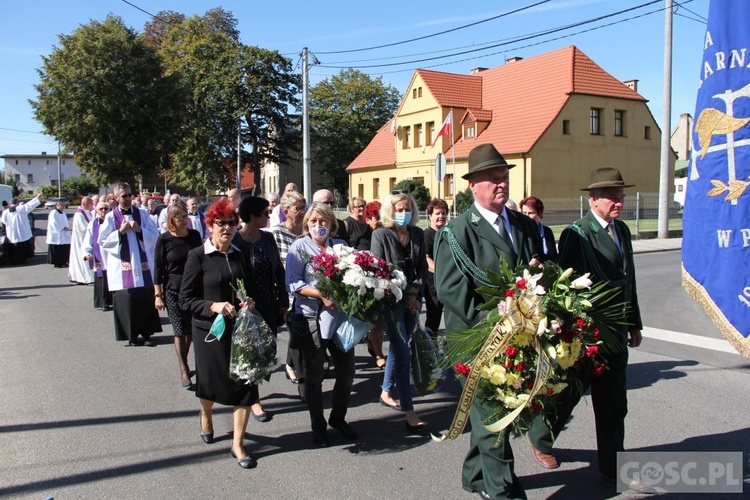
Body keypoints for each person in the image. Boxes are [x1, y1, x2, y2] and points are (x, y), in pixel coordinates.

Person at [434, 143, 542, 500]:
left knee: (504, 407)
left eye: (504, 177)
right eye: (492, 179)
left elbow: (542, 272)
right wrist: (496, 321)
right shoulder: (457, 231)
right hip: (477, 337)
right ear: (473, 186)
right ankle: (502, 490)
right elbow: (450, 290)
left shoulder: (526, 227)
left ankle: (474, 474)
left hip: (521, 336)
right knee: (491, 411)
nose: (500, 184)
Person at [527, 167, 643, 485]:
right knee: (568, 395)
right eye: (612, 196)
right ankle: (541, 437)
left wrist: (634, 323)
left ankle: (612, 466)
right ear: (593, 199)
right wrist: (567, 330)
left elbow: (628, 281)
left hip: (616, 332)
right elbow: (565, 283)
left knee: (614, 403)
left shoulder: (623, 231)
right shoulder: (578, 233)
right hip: (587, 331)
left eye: (621, 195)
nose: (619, 201)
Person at [179, 198, 259, 469]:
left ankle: (238, 444)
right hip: (209, 332)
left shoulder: (240, 254)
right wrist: (212, 306)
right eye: (220, 223)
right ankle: (206, 413)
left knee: (245, 384)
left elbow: (249, 288)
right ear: (209, 226)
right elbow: (184, 300)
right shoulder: (197, 256)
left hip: (240, 330)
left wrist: (249, 301)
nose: (226, 228)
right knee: (210, 384)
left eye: (231, 223)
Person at [285, 202, 358, 447]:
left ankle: (338, 418)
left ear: (332, 224)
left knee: (347, 371)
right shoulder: (299, 247)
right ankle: (318, 426)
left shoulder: (341, 246)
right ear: (306, 224)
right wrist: (320, 294)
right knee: (314, 376)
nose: (319, 226)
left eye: (323, 221)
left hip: (339, 319)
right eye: (314, 221)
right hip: (310, 319)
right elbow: (293, 283)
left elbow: (353, 275)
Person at [371, 191, 429, 434]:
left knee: (399, 345)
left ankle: (385, 391)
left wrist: (415, 293)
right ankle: (410, 411)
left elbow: (422, 268)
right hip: (390, 302)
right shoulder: (380, 234)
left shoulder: (417, 233)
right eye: (399, 209)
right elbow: (376, 269)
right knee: (403, 354)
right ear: (390, 211)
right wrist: (402, 297)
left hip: (412, 299)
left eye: (407, 209)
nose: (403, 213)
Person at [234, 196, 289, 422]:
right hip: (247, 305)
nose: (269, 216)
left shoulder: (267, 238)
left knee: (267, 351)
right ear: (252, 216)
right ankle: (254, 400)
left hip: (268, 303)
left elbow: (278, 270)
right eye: (265, 213)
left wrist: (283, 300)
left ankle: (253, 389)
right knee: (251, 353)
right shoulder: (237, 240)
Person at [98, 182, 162, 346]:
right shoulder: (111, 217)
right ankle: (131, 336)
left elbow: (155, 234)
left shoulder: (142, 214)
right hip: (123, 267)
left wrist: (140, 230)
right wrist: (120, 232)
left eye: (129, 195)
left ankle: (147, 334)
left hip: (143, 263)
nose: (127, 198)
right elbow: (103, 240)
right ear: (116, 197)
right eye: (123, 196)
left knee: (146, 297)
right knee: (128, 299)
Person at [154, 204, 203, 388]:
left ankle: (184, 358)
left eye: (185, 215)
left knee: (190, 331)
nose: (184, 219)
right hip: (172, 289)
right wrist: (157, 295)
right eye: (180, 217)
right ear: (171, 220)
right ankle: (183, 368)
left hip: (193, 289)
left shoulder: (194, 236)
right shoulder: (164, 239)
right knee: (179, 330)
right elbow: (158, 268)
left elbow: (202, 259)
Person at [270, 191, 307, 385]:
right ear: (286, 211)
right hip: (285, 292)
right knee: (294, 330)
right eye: (297, 208)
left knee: (300, 332)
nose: (302, 212)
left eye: (304, 207)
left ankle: (291, 364)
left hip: (307, 290)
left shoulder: (308, 231)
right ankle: (294, 368)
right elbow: (274, 263)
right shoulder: (276, 233)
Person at [361, 200, 386, 368]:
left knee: (380, 322)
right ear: (368, 219)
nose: (379, 220)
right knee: (375, 321)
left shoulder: (386, 234)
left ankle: (375, 346)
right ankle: (378, 354)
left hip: (384, 282)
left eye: (381, 217)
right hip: (367, 283)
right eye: (376, 217)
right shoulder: (364, 238)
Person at [423, 198, 448, 334]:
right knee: (434, 317)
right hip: (433, 283)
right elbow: (426, 259)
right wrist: (442, 272)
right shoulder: (427, 235)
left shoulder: (446, 234)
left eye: (443, 213)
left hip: (447, 281)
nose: (441, 216)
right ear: (430, 215)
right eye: (437, 213)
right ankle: (428, 347)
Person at [83, 201, 113, 310]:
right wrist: (87, 253)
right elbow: (88, 240)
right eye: (101, 209)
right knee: (102, 279)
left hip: (111, 255)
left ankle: (114, 301)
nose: (103, 211)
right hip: (99, 255)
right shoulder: (93, 224)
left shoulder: (114, 222)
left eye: (106, 208)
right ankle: (104, 302)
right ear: (97, 211)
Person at [0, 194, 42, 265]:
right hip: (22, 233)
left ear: (10, 203)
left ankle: (14, 260)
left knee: (13, 248)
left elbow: (3, 221)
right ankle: (22, 260)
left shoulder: (6, 212)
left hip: (12, 232)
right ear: (17, 203)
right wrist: (37, 197)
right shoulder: (21, 208)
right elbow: (30, 205)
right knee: (22, 247)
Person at [519, 196, 558, 262]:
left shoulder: (547, 231)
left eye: (530, 213)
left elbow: (553, 257)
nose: (526, 216)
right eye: (524, 213)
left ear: (540, 214)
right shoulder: (519, 232)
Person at [68, 196, 96, 284]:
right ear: (85, 204)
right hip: (80, 240)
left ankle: (87, 276)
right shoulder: (79, 214)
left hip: (86, 239)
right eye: (91, 204)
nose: (92, 205)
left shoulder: (87, 212)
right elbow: (84, 228)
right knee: (81, 258)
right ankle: (83, 277)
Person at [46, 200, 71, 268]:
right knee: (57, 249)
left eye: (64, 205)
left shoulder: (63, 213)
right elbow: (54, 223)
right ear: (57, 205)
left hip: (64, 234)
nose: (63, 207)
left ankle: (64, 262)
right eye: (62, 205)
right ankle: (58, 263)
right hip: (56, 235)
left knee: (64, 248)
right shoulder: (54, 213)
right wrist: (62, 227)